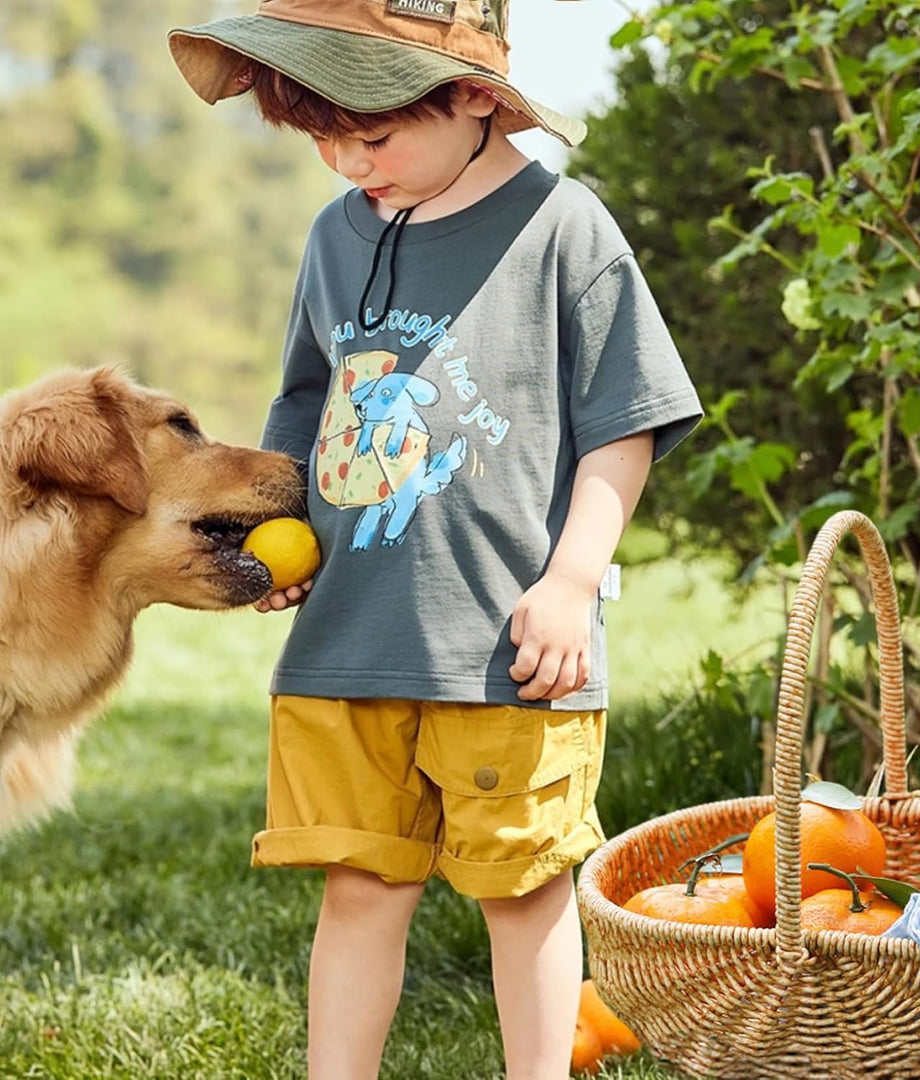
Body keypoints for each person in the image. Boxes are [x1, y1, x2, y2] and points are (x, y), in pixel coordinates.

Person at [168, 3, 701, 1077]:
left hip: (510, 649)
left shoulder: (564, 229)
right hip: (354, 647)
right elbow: (307, 402)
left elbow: (626, 424)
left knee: (523, 892)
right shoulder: (336, 234)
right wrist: (285, 534)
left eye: (369, 136)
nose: (345, 163)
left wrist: (572, 579)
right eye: (320, 140)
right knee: (361, 885)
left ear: (472, 97)